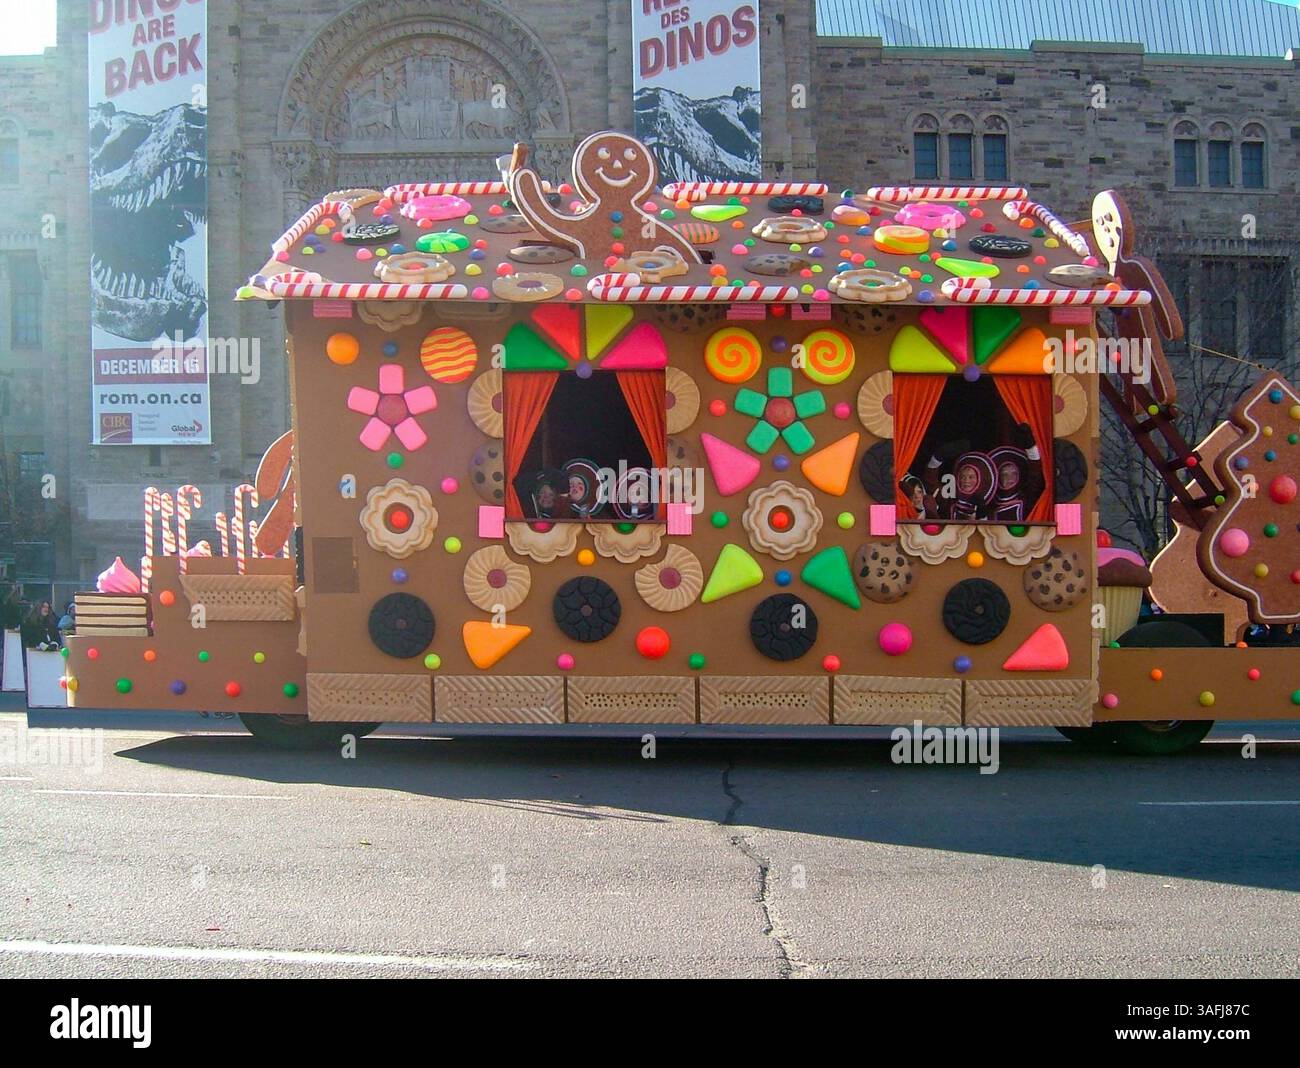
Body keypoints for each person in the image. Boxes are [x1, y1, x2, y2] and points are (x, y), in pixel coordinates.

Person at [943, 452, 998, 521]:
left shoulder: (987, 508)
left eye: (971, 477)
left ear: (979, 480)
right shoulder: (949, 502)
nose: (966, 480)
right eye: (963, 477)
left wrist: (981, 516)